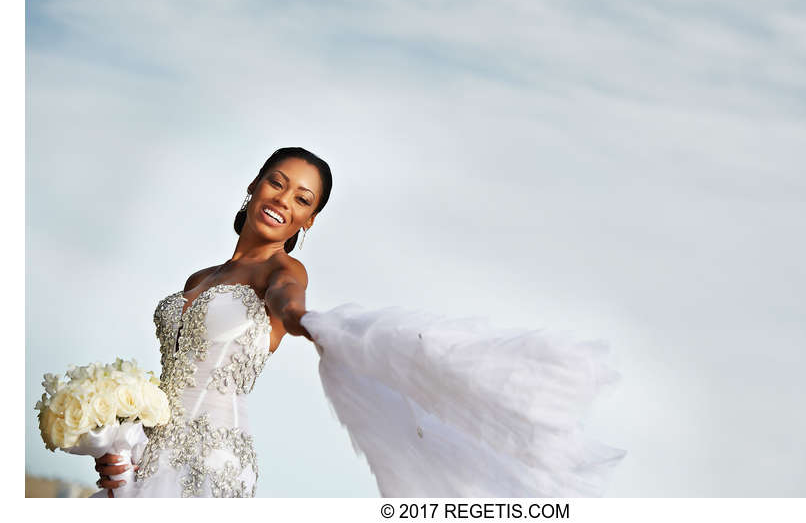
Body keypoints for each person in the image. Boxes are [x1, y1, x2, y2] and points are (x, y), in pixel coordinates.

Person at [92, 147, 624, 498]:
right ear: (254, 185)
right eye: (277, 183)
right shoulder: (201, 276)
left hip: (210, 460)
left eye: (303, 198)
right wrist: (119, 446)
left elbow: (286, 299)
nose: (284, 200)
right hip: (148, 454)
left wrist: (299, 318)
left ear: (309, 219)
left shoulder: (284, 269)